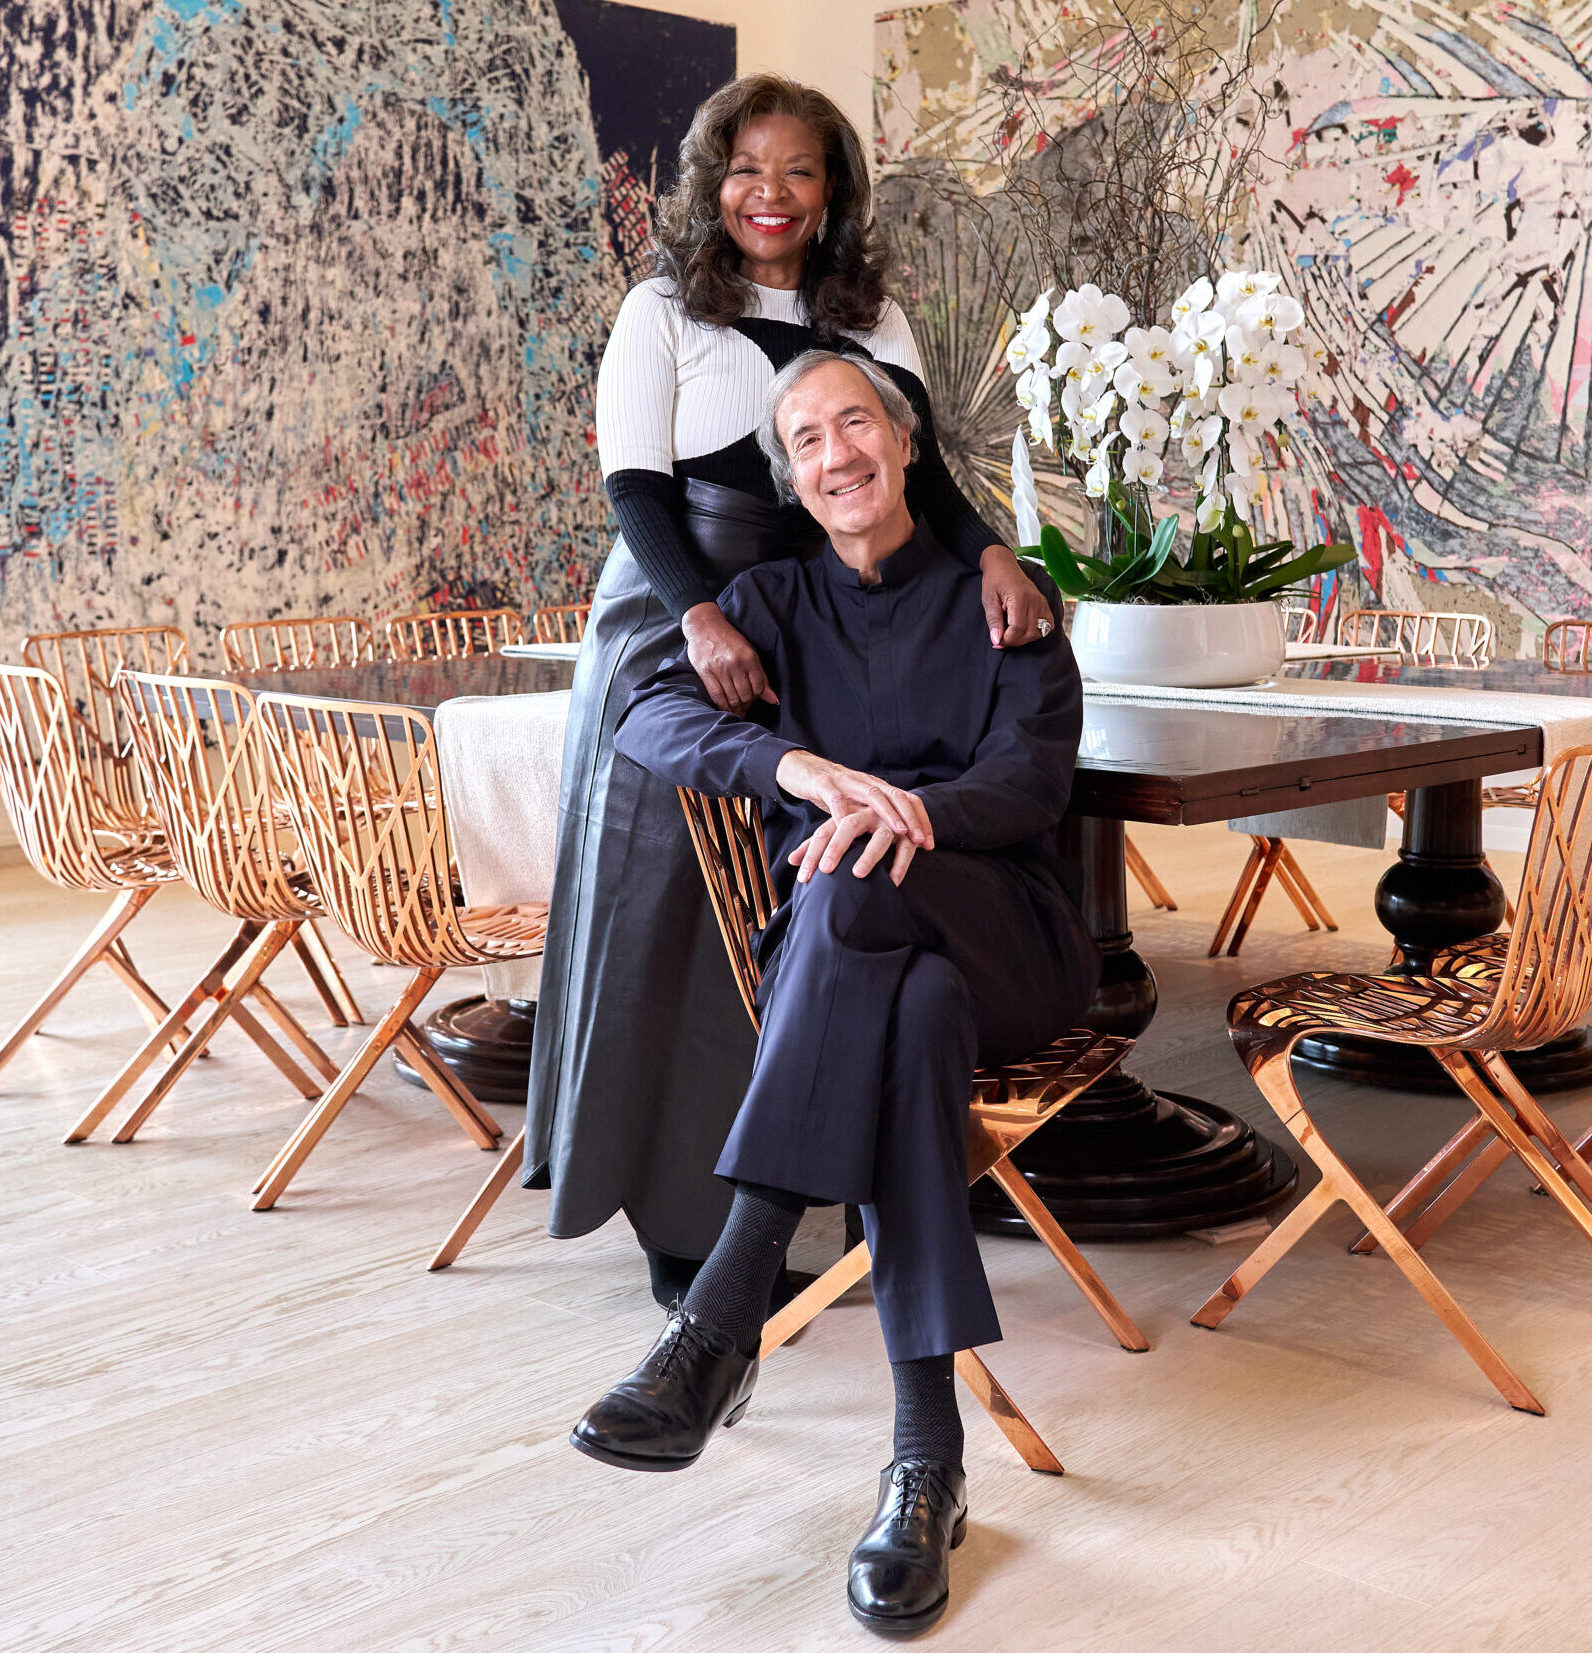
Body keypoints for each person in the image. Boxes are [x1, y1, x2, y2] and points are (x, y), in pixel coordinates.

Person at [570, 351, 1098, 1636]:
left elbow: (1032, 778)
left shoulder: (1000, 601)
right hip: (881, 972)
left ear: (906, 444)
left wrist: (909, 810)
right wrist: (797, 766)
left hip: (1010, 938)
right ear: (791, 479)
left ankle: (727, 1307)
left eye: (853, 423)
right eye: (803, 440)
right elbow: (644, 713)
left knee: (860, 884)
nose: (834, 453)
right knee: (898, 997)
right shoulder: (770, 601)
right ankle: (927, 1465)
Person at [525, 73, 1056, 1309]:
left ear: (833, 193)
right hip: (678, 617)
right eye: (748, 168)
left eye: (801, 171)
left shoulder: (874, 321)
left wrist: (989, 551)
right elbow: (636, 492)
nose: (772, 193)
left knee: (796, 906)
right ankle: (678, 1223)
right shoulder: (661, 310)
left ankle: (816, 1200)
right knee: (680, 914)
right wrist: (701, 618)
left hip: (812, 625)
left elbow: (921, 474)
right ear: (714, 184)